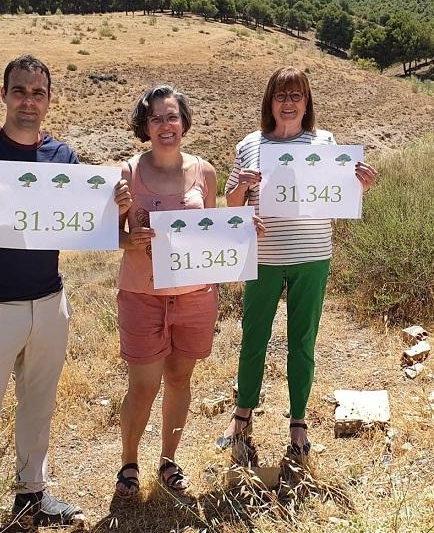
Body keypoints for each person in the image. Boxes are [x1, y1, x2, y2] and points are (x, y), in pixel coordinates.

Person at [0, 55, 132, 533]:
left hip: (48, 303)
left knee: (38, 405)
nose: (29, 101)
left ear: (49, 100)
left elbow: (83, 225)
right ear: (3, 95)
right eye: (20, 91)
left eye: (38, 93)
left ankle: (32, 493)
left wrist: (117, 208)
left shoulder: (63, 159)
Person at [216, 66, 378, 459]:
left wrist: (361, 187)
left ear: (307, 103)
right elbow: (231, 204)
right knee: (254, 338)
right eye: (281, 95)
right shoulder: (248, 145)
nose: (288, 103)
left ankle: (299, 420)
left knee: (302, 341)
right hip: (264, 259)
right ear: (269, 102)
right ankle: (242, 415)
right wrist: (241, 187)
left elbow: (336, 199)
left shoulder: (325, 143)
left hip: (312, 257)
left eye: (296, 96)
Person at [114, 84, 262, 498]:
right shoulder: (128, 172)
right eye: (157, 118)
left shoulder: (205, 172)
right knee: (143, 385)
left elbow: (211, 234)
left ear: (184, 123)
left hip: (195, 296)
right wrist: (131, 240)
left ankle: (168, 460)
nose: (166, 125)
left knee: (180, 378)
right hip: (143, 295)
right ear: (145, 125)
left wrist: (242, 231)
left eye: (173, 117)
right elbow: (111, 234)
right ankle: (129, 462)